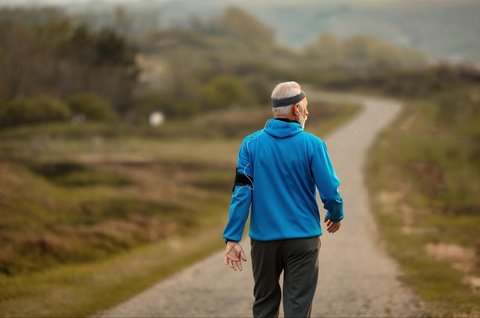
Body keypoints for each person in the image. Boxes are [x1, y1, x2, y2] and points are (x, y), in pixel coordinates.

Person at [223, 81, 344, 318]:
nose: (308, 113)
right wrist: (335, 213)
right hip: (303, 239)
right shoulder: (313, 145)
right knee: (298, 306)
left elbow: (242, 191)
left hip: (264, 241)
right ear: (297, 109)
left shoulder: (251, 144)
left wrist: (232, 238)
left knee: (265, 304)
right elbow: (329, 190)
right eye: (305, 107)